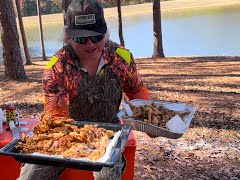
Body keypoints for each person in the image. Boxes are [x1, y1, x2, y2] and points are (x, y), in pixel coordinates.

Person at [19, 0, 150, 179]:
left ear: (105, 32)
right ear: (68, 37)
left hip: (110, 132)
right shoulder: (57, 67)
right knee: (31, 176)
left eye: (96, 36)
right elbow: (56, 118)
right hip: (66, 133)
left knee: (108, 175)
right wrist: (79, 144)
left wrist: (149, 120)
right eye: (81, 38)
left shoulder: (122, 57)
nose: (90, 44)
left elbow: (137, 91)